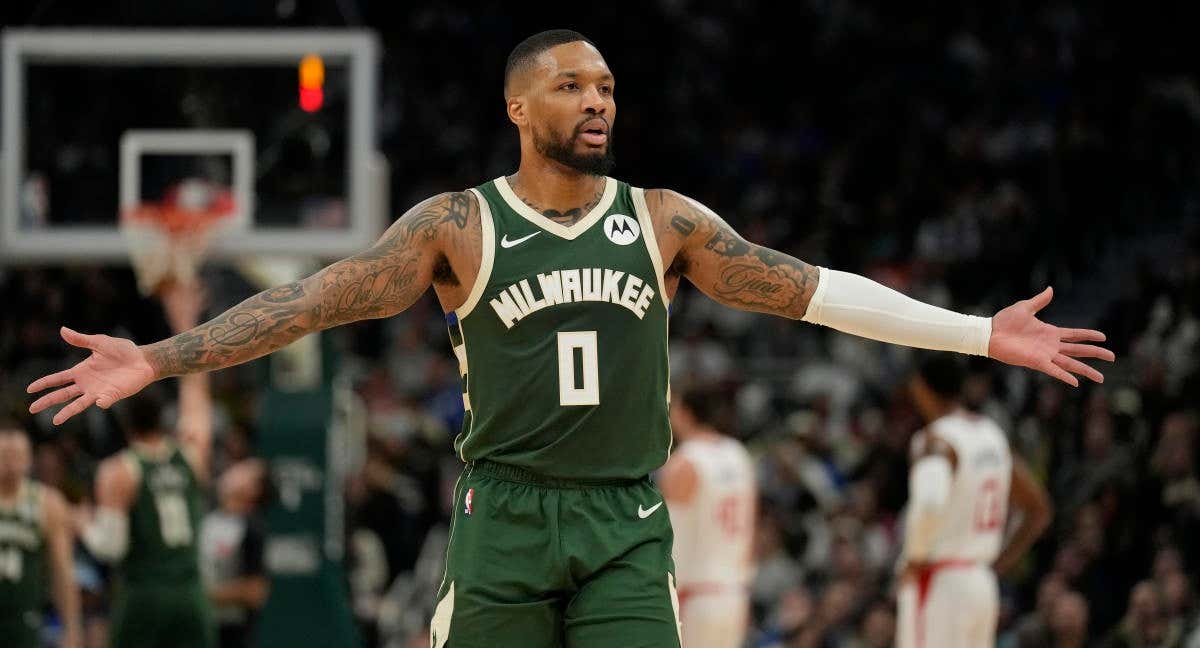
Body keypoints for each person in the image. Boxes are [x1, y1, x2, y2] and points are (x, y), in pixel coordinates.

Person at [27, 29, 1113, 647]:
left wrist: (979, 335)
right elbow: (310, 301)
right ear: (516, 105)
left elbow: (814, 292)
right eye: (571, 85)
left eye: (605, 87)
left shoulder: (664, 221)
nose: (597, 101)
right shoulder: (458, 224)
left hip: (627, 524)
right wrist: (159, 359)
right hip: (501, 515)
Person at [74, 282, 214, 648]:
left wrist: (82, 522)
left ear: (123, 422)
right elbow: (196, 396)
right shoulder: (191, 454)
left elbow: (111, 546)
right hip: (190, 595)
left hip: (144, 597)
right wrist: (186, 322)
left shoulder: (119, 470)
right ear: (162, 417)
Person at [896, 354, 1054, 648]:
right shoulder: (990, 434)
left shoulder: (936, 440)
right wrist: (998, 565)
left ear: (920, 388)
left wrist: (914, 558)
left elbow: (930, 502)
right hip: (981, 582)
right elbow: (1038, 509)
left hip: (940, 580)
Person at [659, 390, 756, 648]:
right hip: (735, 592)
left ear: (685, 413)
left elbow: (668, 535)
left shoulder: (684, 463)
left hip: (696, 594)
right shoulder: (738, 454)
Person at [0, 421, 82, 648]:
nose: (10, 463)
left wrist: (72, 629)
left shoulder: (48, 502)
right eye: (5, 455)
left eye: (17, 455)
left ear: (29, 459)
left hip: (23, 618)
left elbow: (62, 570)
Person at [199, 458, 267, 648]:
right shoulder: (207, 515)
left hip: (231, 632)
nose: (233, 471)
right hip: (199, 626)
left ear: (254, 489)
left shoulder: (251, 527)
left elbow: (256, 591)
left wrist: (202, 595)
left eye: (245, 472)